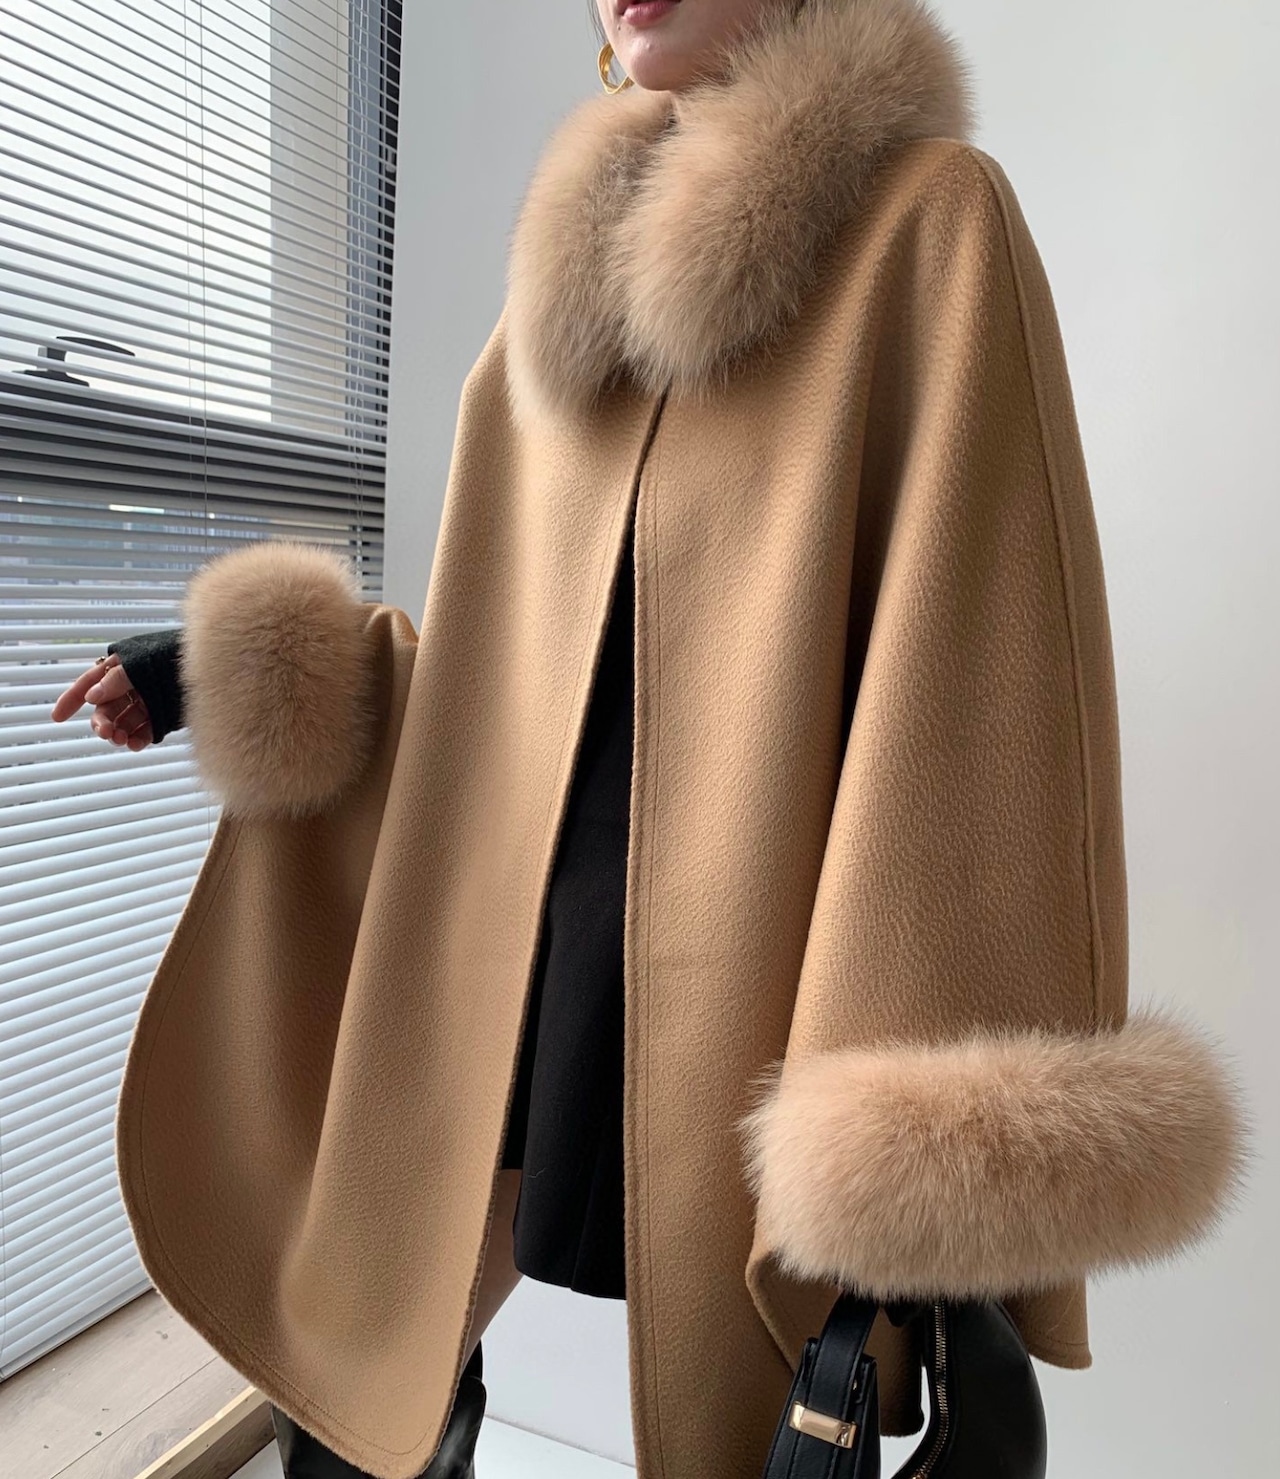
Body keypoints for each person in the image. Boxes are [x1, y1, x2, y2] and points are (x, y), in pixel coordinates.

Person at [50, 3, 1246, 1478]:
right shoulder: (561, 293)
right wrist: (234, 667)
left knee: (761, 1402)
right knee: (371, 1340)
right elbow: (503, 677)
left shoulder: (928, 224)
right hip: (526, 926)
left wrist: (915, 1114)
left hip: (763, 942)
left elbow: (986, 686)